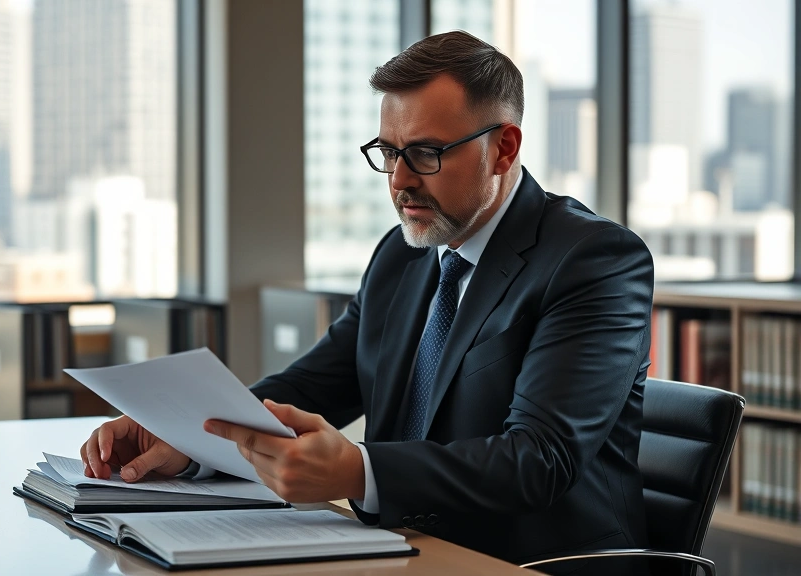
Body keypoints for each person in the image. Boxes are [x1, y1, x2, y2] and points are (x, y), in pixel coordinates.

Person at [80, 30, 652, 573]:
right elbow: (313, 385)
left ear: (503, 149)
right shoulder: (402, 254)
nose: (400, 180)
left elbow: (539, 458)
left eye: (426, 153)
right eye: (389, 151)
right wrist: (185, 436)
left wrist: (358, 470)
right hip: (406, 550)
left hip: (534, 564)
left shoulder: (594, 259)